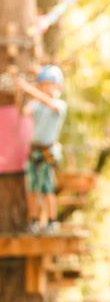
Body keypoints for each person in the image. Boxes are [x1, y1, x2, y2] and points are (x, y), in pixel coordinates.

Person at [15, 65, 67, 235]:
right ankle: (33, 220)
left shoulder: (58, 105)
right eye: (43, 84)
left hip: (48, 151)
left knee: (47, 187)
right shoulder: (36, 104)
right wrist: (19, 92)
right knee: (32, 188)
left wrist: (28, 88)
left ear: (58, 86)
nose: (46, 88)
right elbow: (24, 111)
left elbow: (48, 102)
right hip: (34, 150)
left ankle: (52, 221)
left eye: (49, 84)